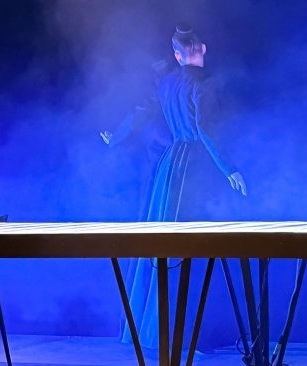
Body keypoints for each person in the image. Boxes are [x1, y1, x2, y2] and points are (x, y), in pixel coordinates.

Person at [101, 25, 247, 348]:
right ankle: (185, 331)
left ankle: (158, 328)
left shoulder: (167, 82)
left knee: (165, 244)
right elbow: (205, 129)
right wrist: (230, 169)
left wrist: (116, 137)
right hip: (196, 166)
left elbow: (140, 113)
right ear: (202, 49)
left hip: (171, 165)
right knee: (191, 246)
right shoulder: (204, 84)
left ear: (178, 55)